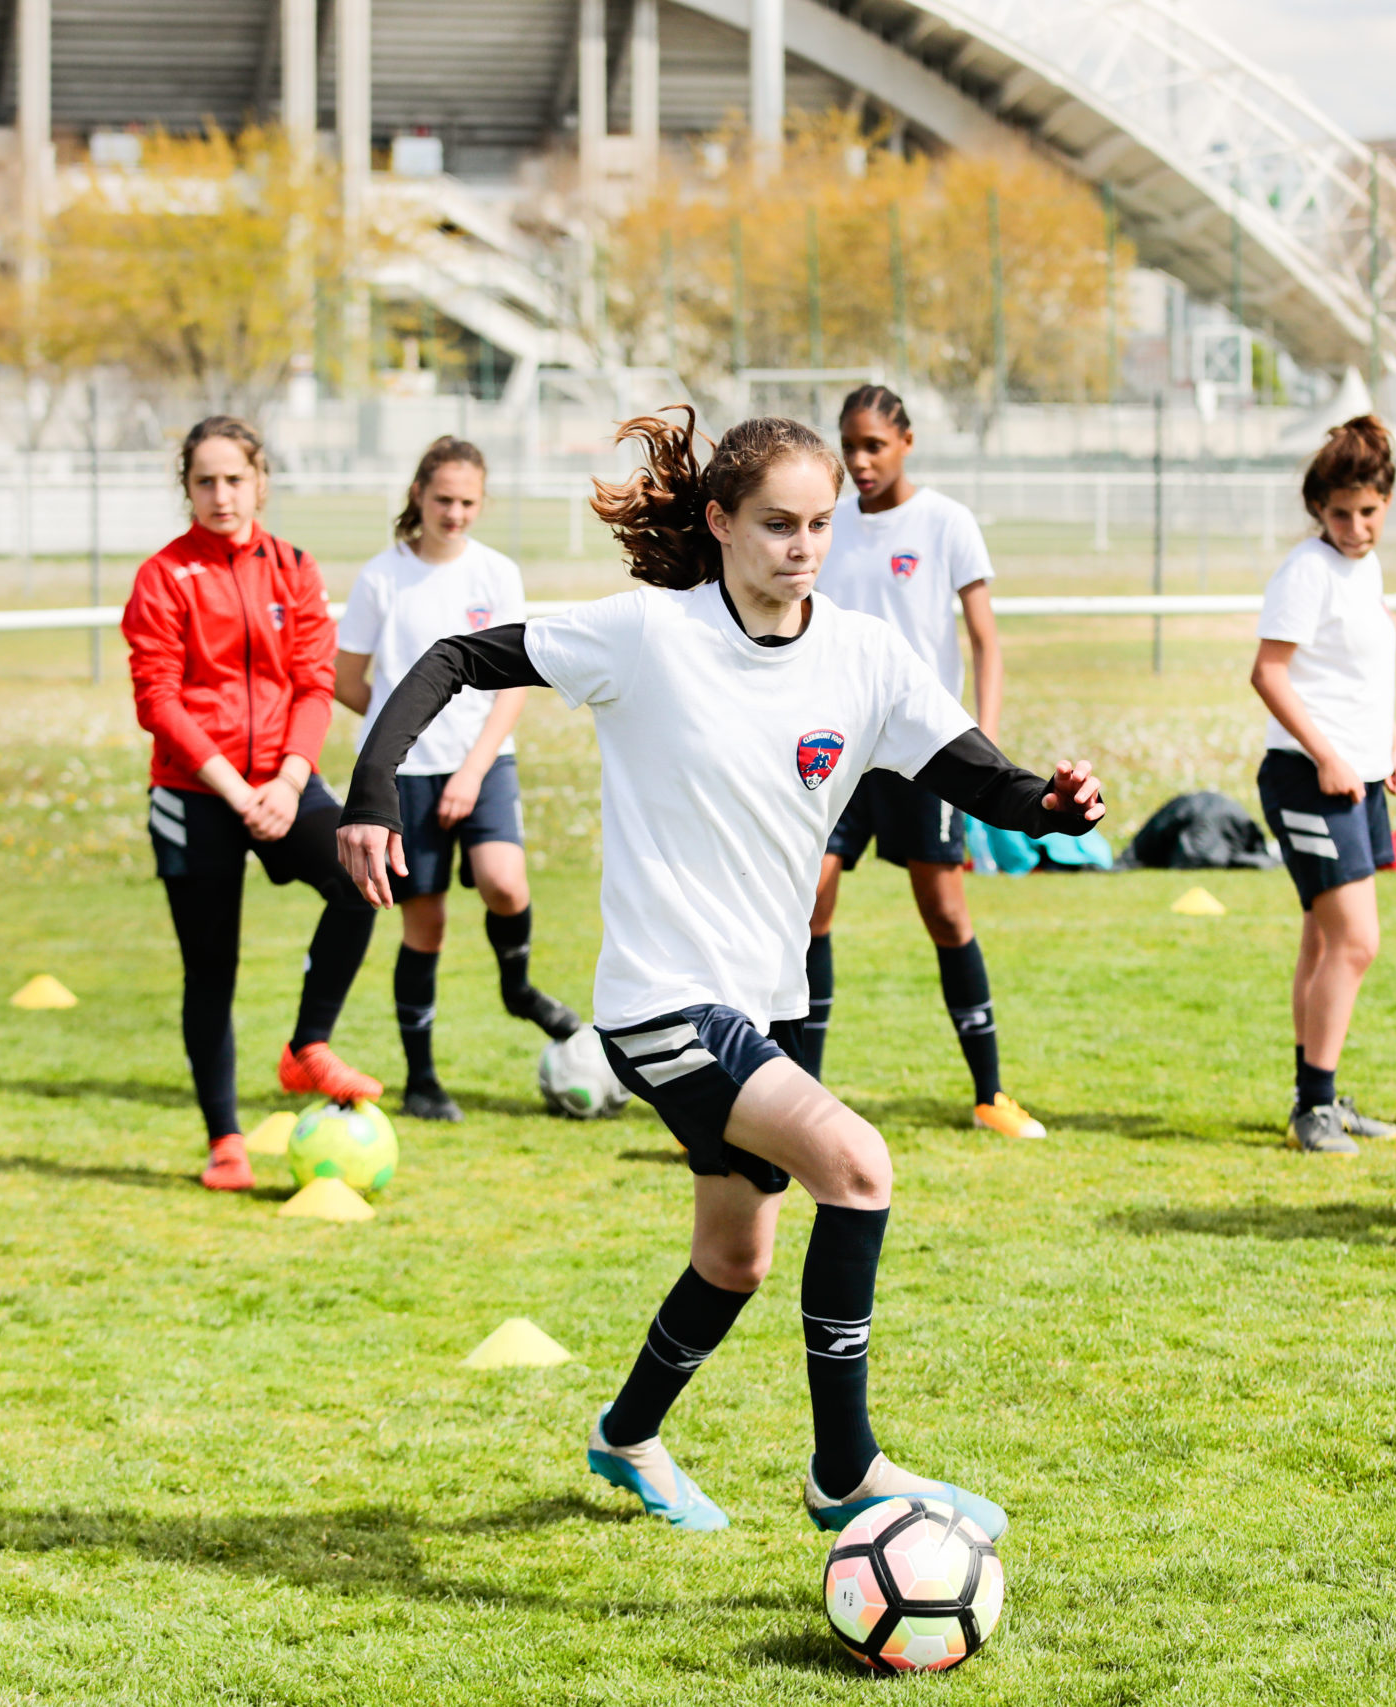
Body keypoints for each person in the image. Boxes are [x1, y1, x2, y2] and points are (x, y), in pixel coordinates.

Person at [335, 408, 1103, 1537]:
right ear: (720, 523)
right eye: (776, 524)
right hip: (661, 1006)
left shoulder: (864, 656)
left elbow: (981, 777)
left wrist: (1052, 801)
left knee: (733, 1261)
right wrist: (367, 797)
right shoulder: (648, 634)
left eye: (820, 525)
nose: (801, 546)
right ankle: (845, 1470)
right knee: (859, 1163)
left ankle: (624, 1435)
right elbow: (455, 657)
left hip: (766, 1005)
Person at [121, 416, 381, 1192]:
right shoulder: (164, 576)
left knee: (363, 873)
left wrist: (290, 780)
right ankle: (224, 1139)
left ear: (260, 482)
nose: (221, 495)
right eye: (205, 481)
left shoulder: (294, 567)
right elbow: (158, 699)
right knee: (212, 970)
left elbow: (313, 680)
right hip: (196, 792)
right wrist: (235, 792)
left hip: (283, 781)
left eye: (235, 479)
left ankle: (307, 1045)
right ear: (187, 489)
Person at [801, 385, 1044, 1139]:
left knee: (944, 912)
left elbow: (985, 639)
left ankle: (990, 1094)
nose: (860, 460)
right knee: (807, 904)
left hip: (923, 753)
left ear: (906, 441)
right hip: (839, 753)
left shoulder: (946, 523)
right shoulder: (827, 528)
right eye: (850, 445)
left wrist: (985, 750)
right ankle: (796, 1097)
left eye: (874, 444)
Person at [334, 438, 580, 1123]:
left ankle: (519, 988)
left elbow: (515, 685)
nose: (455, 513)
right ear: (419, 494)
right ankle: (422, 1079)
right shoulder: (382, 577)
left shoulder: (496, 573)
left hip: (483, 763)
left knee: (506, 882)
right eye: (443, 499)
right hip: (407, 778)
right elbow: (347, 680)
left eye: (469, 502)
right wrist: (400, 738)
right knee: (428, 923)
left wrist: (472, 766)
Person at [1248, 416, 1396, 1157]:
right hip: (1310, 778)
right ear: (1319, 509)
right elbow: (1269, 672)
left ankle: (1321, 1096)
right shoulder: (1307, 569)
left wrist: (1392, 744)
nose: (1353, 526)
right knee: (1357, 941)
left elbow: (1357, 673)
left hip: (1360, 776)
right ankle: (1312, 1107)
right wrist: (1328, 756)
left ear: (1385, 503)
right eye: (1339, 513)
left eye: (1367, 511)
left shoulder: (1364, 568)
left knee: (1322, 939)